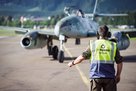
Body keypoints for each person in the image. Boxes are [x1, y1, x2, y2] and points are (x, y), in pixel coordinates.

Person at [68, 25, 123, 91]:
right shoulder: (113, 45)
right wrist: (118, 75)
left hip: (96, 77)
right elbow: (119, 62)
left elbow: (82, 57)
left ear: (97, 33)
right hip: (110, 77)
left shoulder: (93, 44)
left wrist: (72, 63)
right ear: (108, 34)